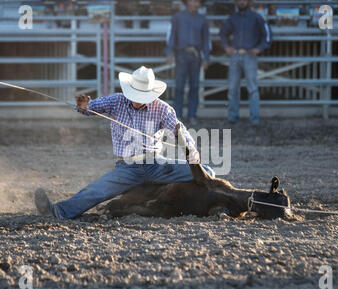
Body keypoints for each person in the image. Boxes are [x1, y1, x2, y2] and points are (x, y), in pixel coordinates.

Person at [34, 66, 215, 220]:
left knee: (206, 172)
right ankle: (58, 211)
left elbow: (178, 129)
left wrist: (190, 148)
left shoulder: (162, 109)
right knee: (97, 190)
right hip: (127, 166)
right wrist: (85, 106)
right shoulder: (117, 101)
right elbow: (92, 108)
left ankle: (204, 203)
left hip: (155, 163)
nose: (137, 99)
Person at [220, 0, 272, 125]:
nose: (241, 2)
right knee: (232, 88)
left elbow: (267, 35)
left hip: (250, 55)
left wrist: (259, 48)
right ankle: (233, 117)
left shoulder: (257, 17)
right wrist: (226, 47)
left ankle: (254, 119)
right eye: (239, 0)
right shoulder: (233, 18)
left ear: (249, 1)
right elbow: (223, 33)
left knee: (252, 88)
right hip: (235, 55)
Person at [165, 0, 211, 125]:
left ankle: (192, 115)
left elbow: (207, 39)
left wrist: (206, 57)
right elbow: (171, 35)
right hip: (181, 54)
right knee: (179, 86)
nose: (195, 3)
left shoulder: (202, 19)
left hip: (196, 55)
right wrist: (169, 52)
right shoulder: (177, 17)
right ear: (187, 2)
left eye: (197, 1)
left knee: (194, 86)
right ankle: (177, 116)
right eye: (193, 0)